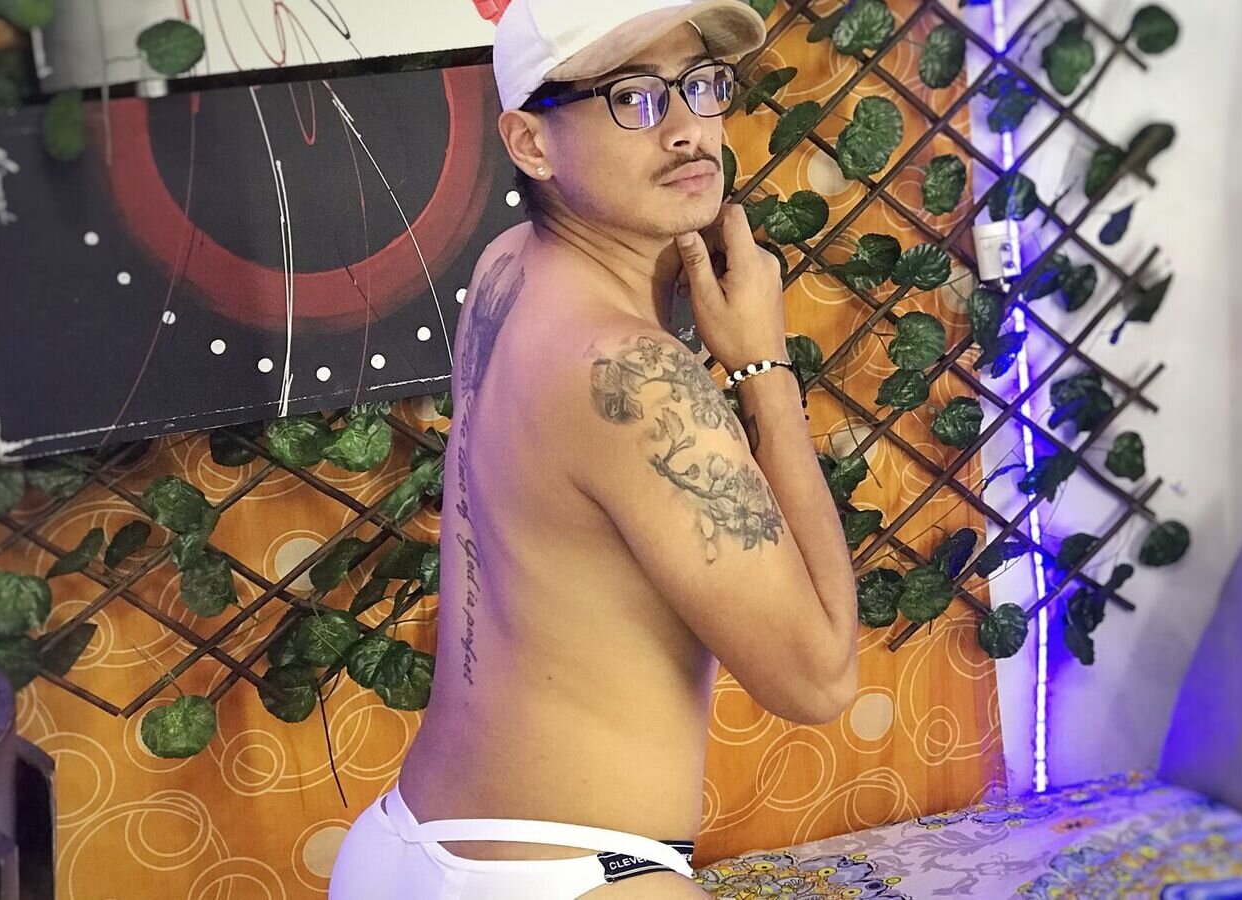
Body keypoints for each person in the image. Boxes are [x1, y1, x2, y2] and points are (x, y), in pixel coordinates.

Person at [327, 1, 862, 897]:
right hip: (564, 872)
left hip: (405, 844)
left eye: (700, 84)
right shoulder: (634, 376)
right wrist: (764, 365)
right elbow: (820, 680)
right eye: (632, 96)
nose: (688, 128)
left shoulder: (507, 267)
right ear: (531, 144)